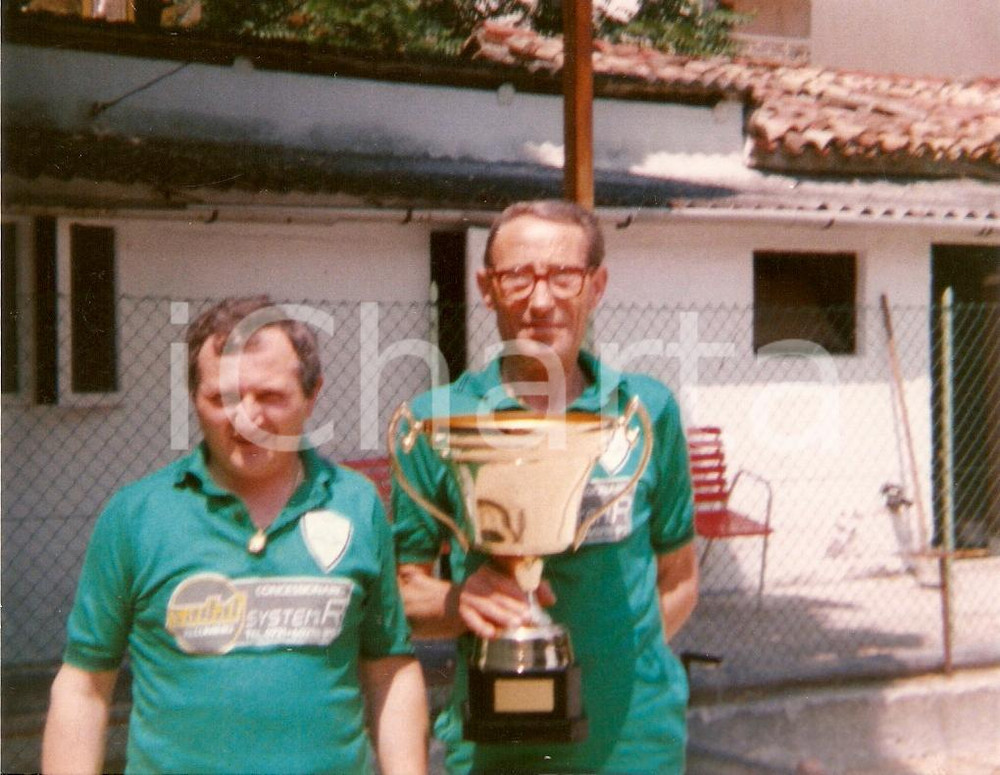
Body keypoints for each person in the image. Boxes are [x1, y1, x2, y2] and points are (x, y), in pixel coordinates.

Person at [42, 295, 428, 775]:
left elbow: (389, 666)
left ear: (313, 395)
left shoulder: (356, 504)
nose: (247, 419)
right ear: (193, 398)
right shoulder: (136, 516)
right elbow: (83, 686)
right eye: (222, 398)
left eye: (270, 396)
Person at [392, 200, 699, 773]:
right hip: (494, 743)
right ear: (486, 288)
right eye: (517, 277)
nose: (540, 300)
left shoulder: (646, 411)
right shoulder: (437, 422)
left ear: (596, 284)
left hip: (633, 744)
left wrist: (618, 668)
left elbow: (678, 577)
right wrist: (462, 603)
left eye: (563, 276)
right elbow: (403, 592)